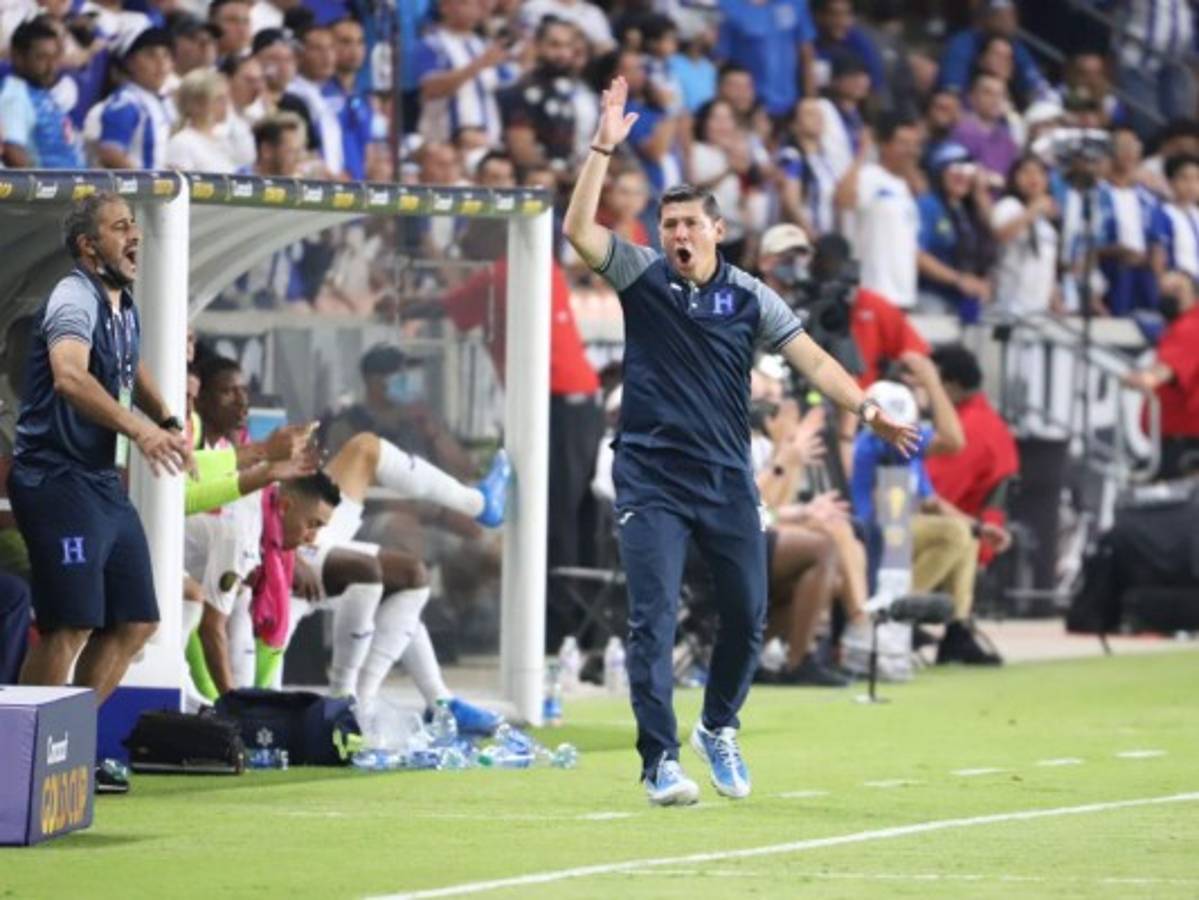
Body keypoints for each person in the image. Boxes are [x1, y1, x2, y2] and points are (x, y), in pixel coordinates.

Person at [562, 76, 917, 806]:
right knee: (652, 619)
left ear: (717, 231)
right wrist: (601, 148)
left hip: (726, 478)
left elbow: (812, 359)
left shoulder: (751, 297)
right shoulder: (640, 275)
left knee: (748, 615)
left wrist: (867, 407)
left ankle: (717, 726)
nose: (679, 236)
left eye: (691, 224)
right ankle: (659, 761)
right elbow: (578, 233)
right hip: (651, 477)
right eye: (670, 225)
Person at [10, 192, 192, 707]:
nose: (135, 235)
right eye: (120, 227)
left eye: (134, 224)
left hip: (100, 483)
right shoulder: (74, 297)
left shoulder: (122, 305)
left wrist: (168, 420)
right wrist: (141, 431)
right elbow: (69, 376)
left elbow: (130, 365)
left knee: (137, 621)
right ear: (88, 246)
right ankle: (16, 747)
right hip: (56, 480)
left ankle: (70, 735)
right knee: (71, 624)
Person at [850, 369, 1001, 666]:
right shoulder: (878, 443)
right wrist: (932, 380)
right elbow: (954, 441)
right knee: (954, 534)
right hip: (876, 529)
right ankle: (899, 610)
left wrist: (979, 528)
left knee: (966, 536)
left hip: (900, 525)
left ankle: (956, 631)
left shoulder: (903, 444)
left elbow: (930, 501)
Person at [925, 344, 1019, 567]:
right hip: (972, 533)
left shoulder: (967, 431)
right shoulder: (985, 420)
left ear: (953, 386)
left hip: (964, 542)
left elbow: (931, 495)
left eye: (930, 385)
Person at [835, 113, 922, 310]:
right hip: (873, 294)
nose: (911, 151)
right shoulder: (869, 175)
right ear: (884, 145)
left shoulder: (904, 188)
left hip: (904, 297)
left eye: (914, 144)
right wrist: (863, 151)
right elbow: (843, 200)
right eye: (903, 143)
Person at [1122, 271, 1199, 480]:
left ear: (1194, 295)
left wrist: (1134, 378)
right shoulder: (1179, 325)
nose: (1168, 297)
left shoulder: (1190, 327)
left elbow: (1159, 375)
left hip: (1185, 441)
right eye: (1164, 291)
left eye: (1177, 291)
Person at [915, 142, 995, 323]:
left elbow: (994, 238)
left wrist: (980, 193)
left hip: (965, 305)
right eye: (954, 169)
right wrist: (959, 280)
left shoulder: (967, 211)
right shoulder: (928, 205)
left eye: (968, 170)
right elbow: (917, 254)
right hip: (932, 299)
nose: (962, 176)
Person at [0, 18, 85, 169]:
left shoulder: (40, 92)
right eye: (42, 58)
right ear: (18, 57)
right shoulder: (14, 96)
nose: (51, 66)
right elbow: (13, 153)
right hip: (48, 183)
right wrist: (39, 181)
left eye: (54, 57)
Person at [94, 26, 175, 170]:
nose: (161, 63)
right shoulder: (126, 102)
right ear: (129, 62)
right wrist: (146, 179)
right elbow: (110, 153)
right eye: (150, 55)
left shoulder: (162, 101)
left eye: (166, 55)